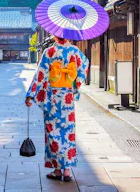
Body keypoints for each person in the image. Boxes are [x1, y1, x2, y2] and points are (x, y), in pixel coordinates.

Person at [25, 36, 89, 182]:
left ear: (55, 35)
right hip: (67, 99)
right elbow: (84, 66)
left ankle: (57, 170)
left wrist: (30, 95)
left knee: (53, 133)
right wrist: (74, 86)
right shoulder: (75, 51)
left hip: (52, 98)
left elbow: (40, 75)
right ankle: (67, 171)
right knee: (68, 133)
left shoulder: (49, 52)